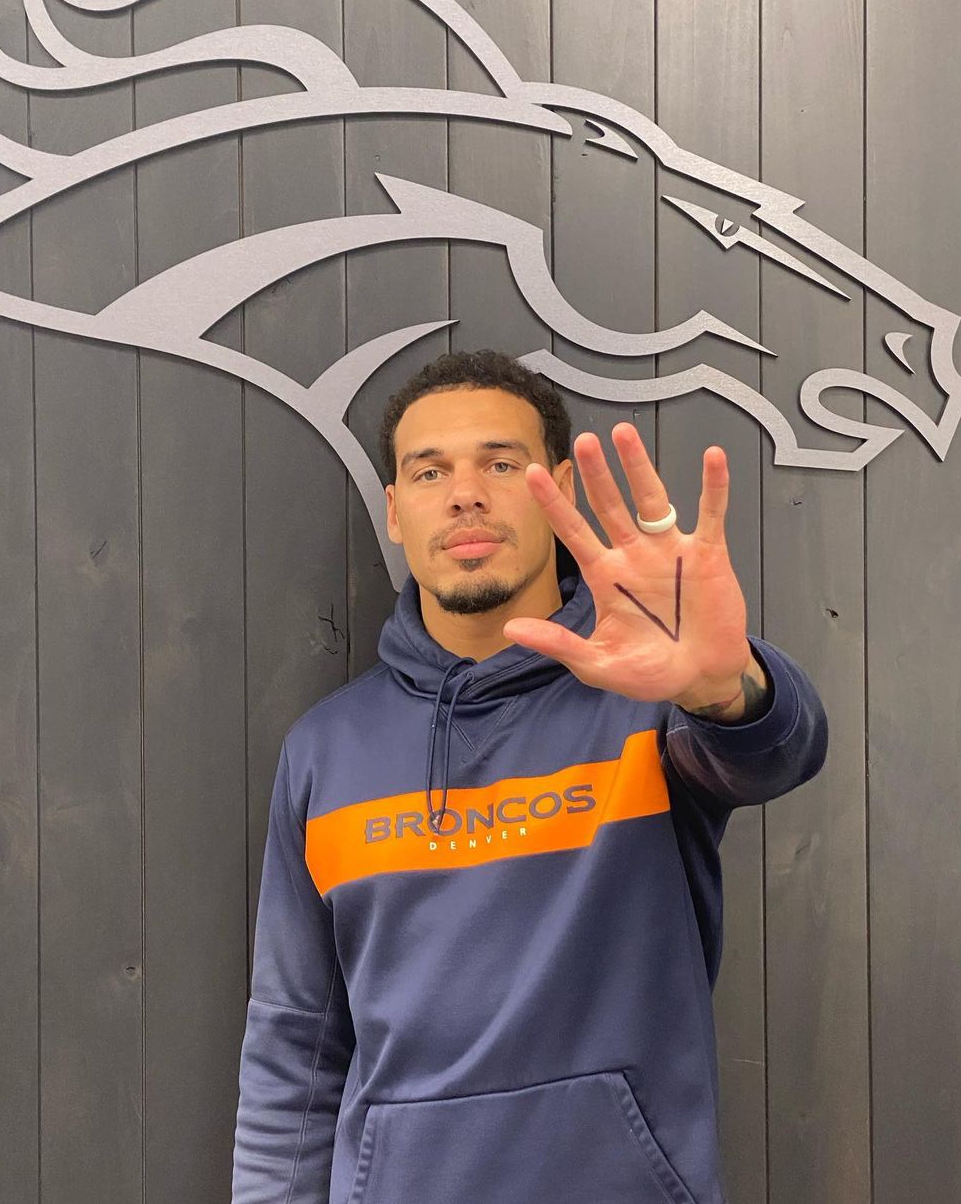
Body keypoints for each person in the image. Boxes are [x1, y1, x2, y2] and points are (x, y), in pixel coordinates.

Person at [231, 348, 828, 1204]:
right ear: (395, 511)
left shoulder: (648, 700)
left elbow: (776, 752)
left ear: (560, 488)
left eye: (501, 464)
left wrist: (723, 687)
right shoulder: (326, 749)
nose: (465, 494)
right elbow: (295, 1039)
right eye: (429, 471)